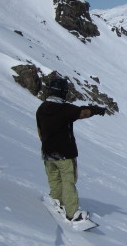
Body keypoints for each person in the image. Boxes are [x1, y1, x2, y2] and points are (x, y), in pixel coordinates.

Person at [36, 78, 106, 221]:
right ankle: (72, 213)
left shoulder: (41, 108)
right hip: (64, 153)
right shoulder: (65, 109)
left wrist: (47, 144)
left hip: (47, 152)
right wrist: (96, 110)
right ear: (63, 92)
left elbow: (39, 131)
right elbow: (83, 112)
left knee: (54, 179)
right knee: (68, 181)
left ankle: (56, 201)